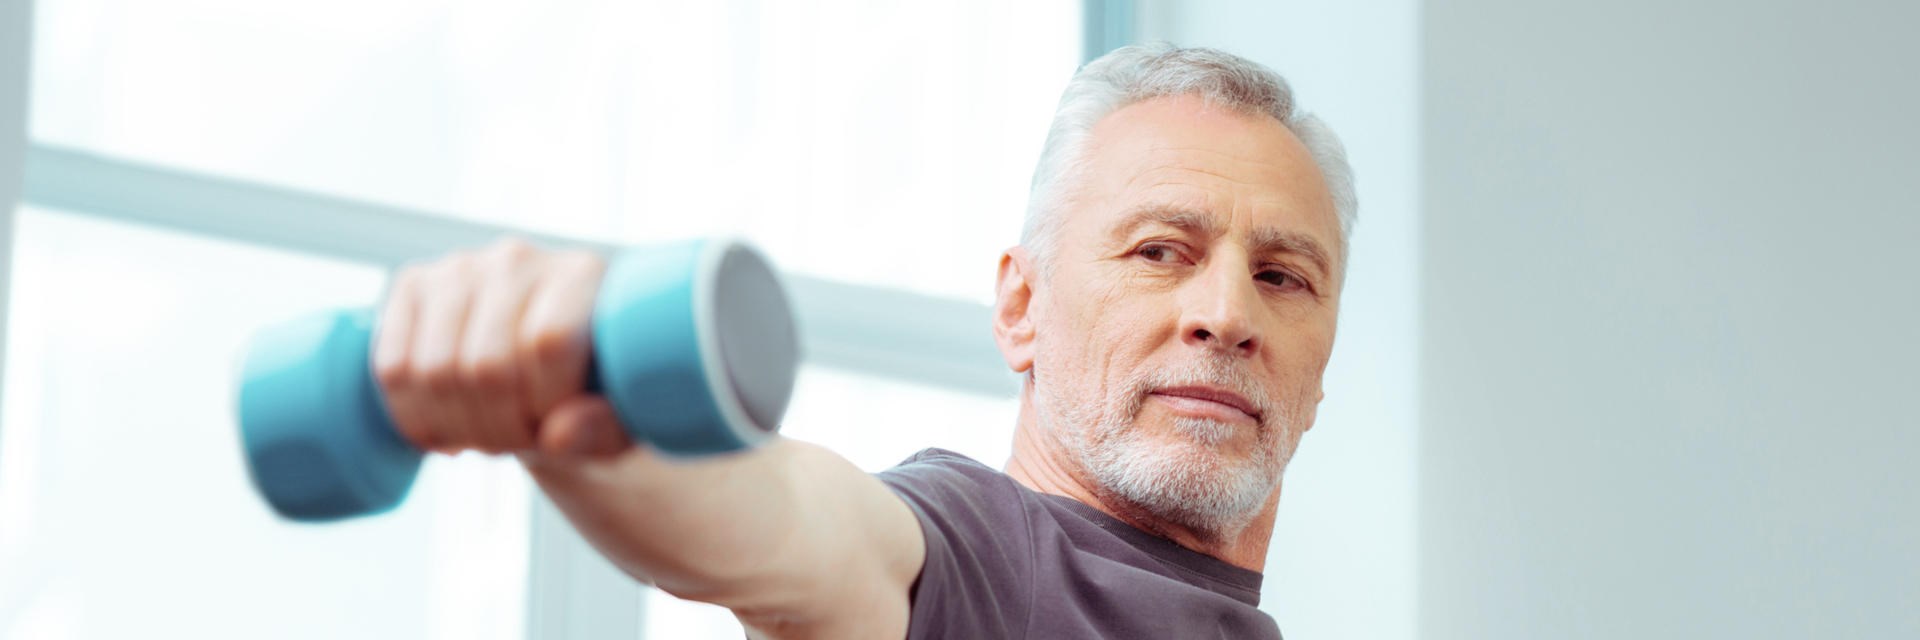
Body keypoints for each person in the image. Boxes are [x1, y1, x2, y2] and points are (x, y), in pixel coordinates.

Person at [369, 42, 1355, 639]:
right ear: (1021, 307)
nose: (1227, 314)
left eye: (1282, 276)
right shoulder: (978, 557)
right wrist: (586, 410)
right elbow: (794, 529)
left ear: (1322, 365)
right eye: (1158, 251)